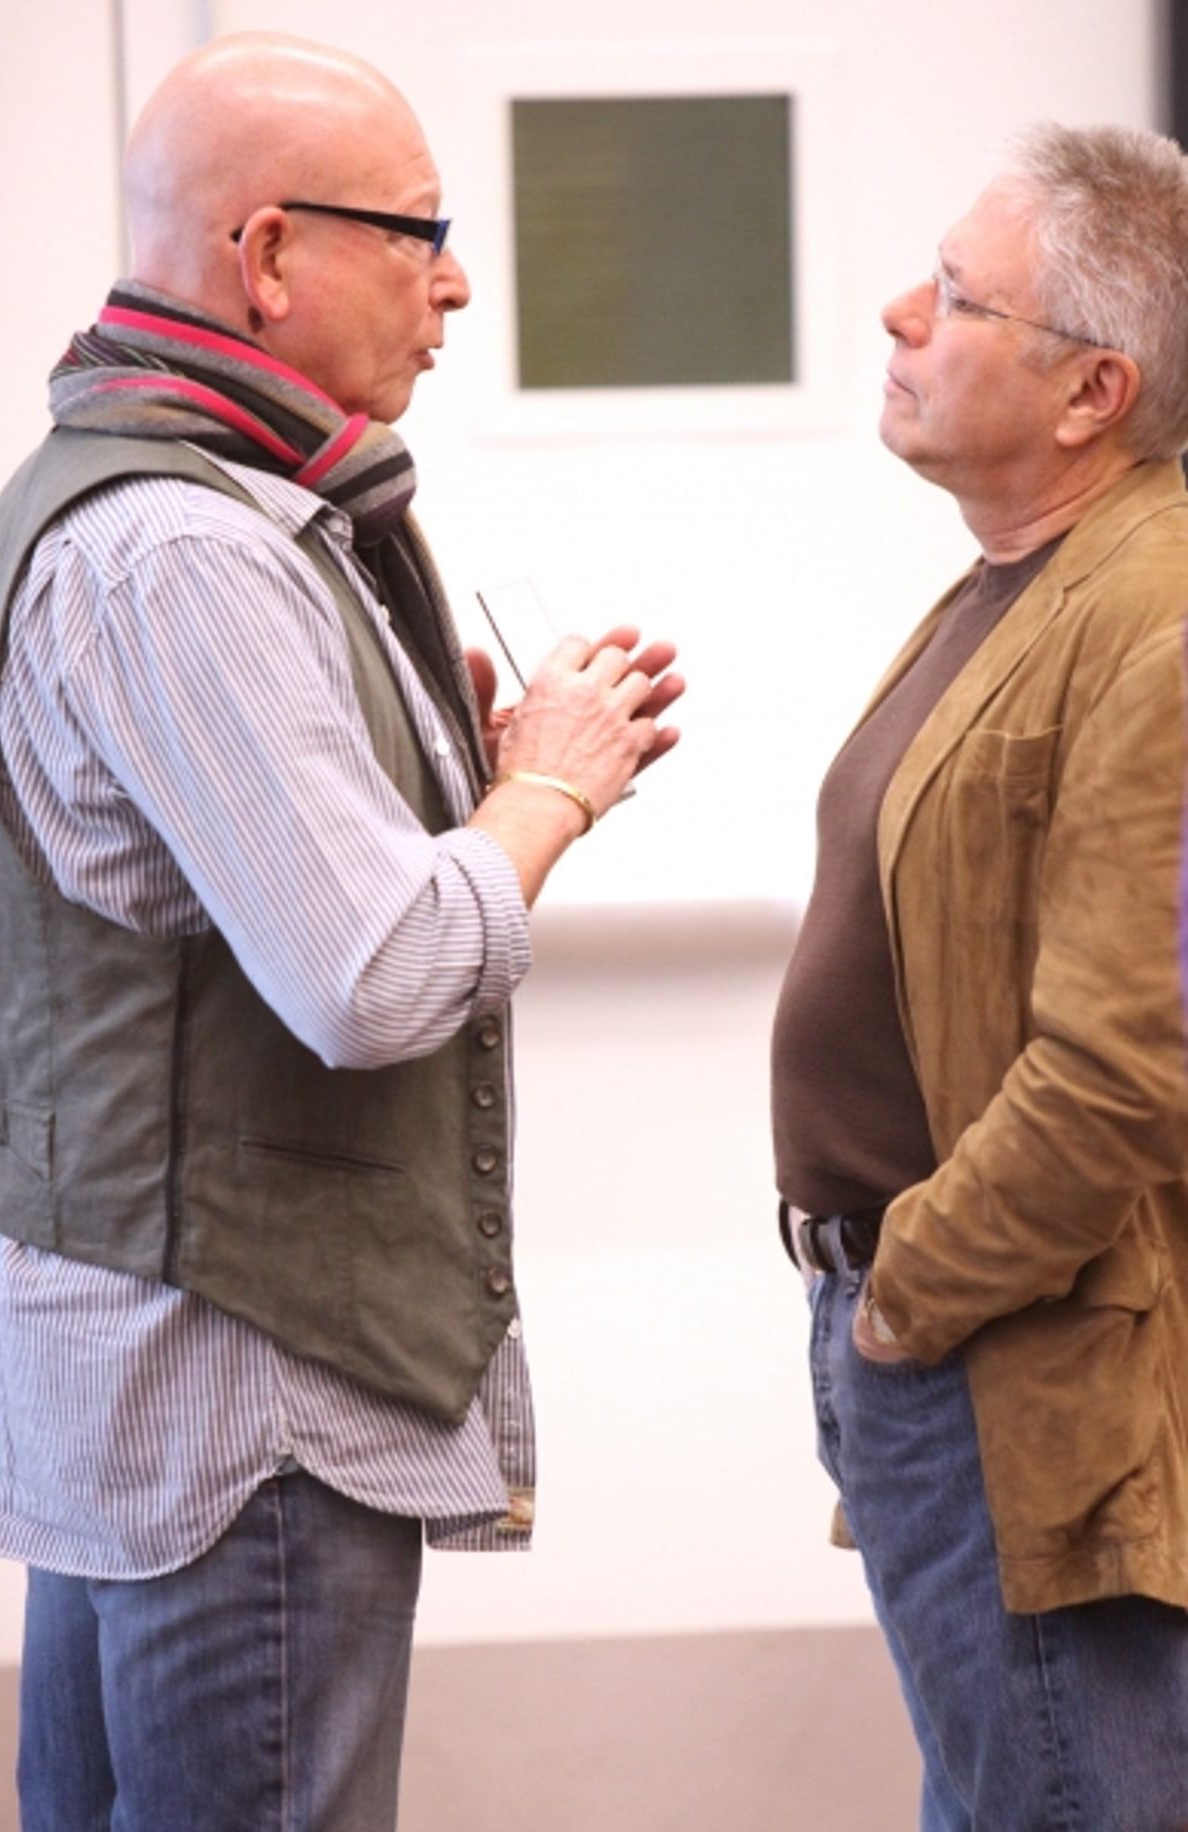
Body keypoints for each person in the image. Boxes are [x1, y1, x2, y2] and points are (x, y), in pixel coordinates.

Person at [0, 31, 683, 1832]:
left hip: (173, 1396)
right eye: (419, 231)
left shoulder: (181, 510)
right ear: (270, 254)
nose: (454, 282)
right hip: (247, 1410)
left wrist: (415, 758)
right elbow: (370, 976)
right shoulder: (187, 552)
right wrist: (554, 787)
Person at [771, 122, 1188, 1830]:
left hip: (1016, 1358)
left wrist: (907, 1295)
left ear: (1093, 392)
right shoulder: (1030, 580)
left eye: (955, 298)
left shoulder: (1157, 616)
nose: (897, 313)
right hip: (930, 1339)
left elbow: (1122, 1068)